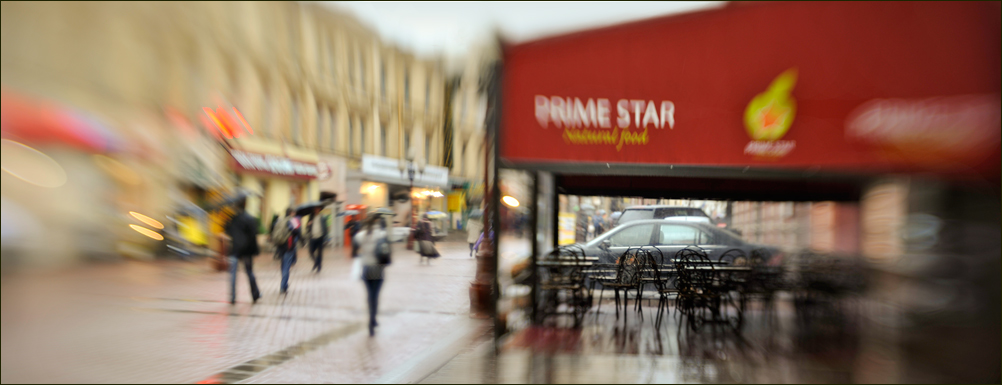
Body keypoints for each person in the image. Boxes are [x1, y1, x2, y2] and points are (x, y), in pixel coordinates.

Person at [353, 216, 389, 336]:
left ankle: (371, 318)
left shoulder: (361, 235)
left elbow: (355, 248)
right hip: (378, 269)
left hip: (366, 269)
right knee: (375, 296)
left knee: (369, 295)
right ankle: (373, 319)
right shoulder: (381, 233)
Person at [224, 198, 261, 305]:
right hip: (247, 251)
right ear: (245, 205)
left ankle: (232, 297)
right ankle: (255, 294)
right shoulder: (251, 219)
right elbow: (254, 235)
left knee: (233, 274)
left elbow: (228, 232)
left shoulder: (233, 219)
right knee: (249, 272)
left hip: (235, 249)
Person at [272, 208, 301, 295]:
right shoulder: (292, 220)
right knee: (286, 266)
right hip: (288, 246)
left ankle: (285, 284)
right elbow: (297, 231)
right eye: (294, 212)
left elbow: (272, 228)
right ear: (291, 213)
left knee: (283, 265)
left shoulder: (280, 221)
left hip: (280, 246)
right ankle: (282, 286)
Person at [306, 207, 329, 273]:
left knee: (319, 253)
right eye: (315, 209)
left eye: (317, 209)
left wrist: (326, 237)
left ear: (319, 210)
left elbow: (325, 227)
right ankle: (316, 262)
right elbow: (307, 227)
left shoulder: (322, 217)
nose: (316, 210)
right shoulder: (311, 218)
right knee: (311, 251)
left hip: (320, 237)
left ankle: (319, 266)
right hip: (313, 237)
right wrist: (308, 224)